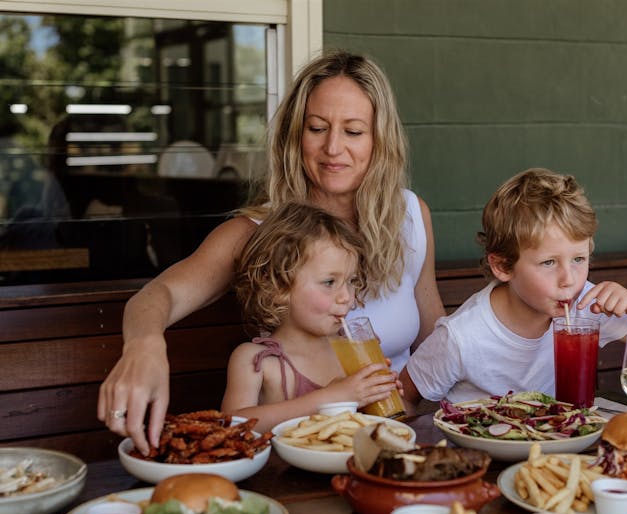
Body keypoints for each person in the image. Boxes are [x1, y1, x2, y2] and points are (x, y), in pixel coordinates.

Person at [98, 49, 446, 453]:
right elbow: (159, 295)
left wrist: (421, 413)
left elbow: (432, 338)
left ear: (379, 140)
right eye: (317, 128)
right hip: (304, 446)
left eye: (353, 131)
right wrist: (145, 345)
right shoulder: (259, 233)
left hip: (400, 432)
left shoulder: (410, 215)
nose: (333, 148)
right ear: (295, 134)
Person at [400, 168, 627, 406]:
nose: (569, 278)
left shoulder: (585, 305)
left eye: (579, 258)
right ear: (503, 266)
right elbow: (406, 397)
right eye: (549, 263)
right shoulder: (462, 337)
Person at [221, 201, 400, 432]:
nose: (346, 296)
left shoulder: (349, 351)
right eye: (329, 282)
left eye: (351, 281)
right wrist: (332, 398)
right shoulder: (259, 360)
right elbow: (231, 424)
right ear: (277, 288)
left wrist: (378, 394)